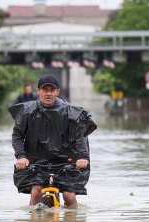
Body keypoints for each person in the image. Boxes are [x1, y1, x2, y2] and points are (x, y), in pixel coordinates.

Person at [8, 75, 97, 208]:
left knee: (69, 196)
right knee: (36, 192)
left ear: (57, 92)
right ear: (38, 91)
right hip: (37, 161)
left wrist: (83, 157)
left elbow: (79, 136)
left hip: (65, 161)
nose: (48, 93)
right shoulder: (27, 111)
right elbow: (17, 135)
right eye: (45, 90)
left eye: (52, 90)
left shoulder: (69, 112)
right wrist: (21, 157)